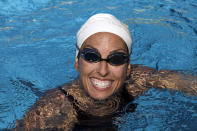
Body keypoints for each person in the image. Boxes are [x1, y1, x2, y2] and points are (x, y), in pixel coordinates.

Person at [14, 13, 197, 131]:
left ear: (128, 69)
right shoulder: (55, 107)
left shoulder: (138, 81)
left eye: (116, 59)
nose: (103, 71)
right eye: (92, 56)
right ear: (77, 62)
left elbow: (189, 83)